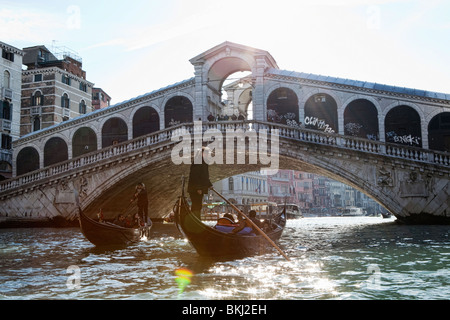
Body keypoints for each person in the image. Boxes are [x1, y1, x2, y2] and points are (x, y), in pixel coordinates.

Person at [187, 147, 212, 219]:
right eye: (207, 153)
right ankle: (195, 220)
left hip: (199, 188)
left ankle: (197, 220)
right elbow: (195, 176)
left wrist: (209, 185)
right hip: (195, 189)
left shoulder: (204, 162)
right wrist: (198, 188)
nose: (208, 155)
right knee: (196, 205)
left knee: (198, 206)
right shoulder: (198, 161)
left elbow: (204, 176)